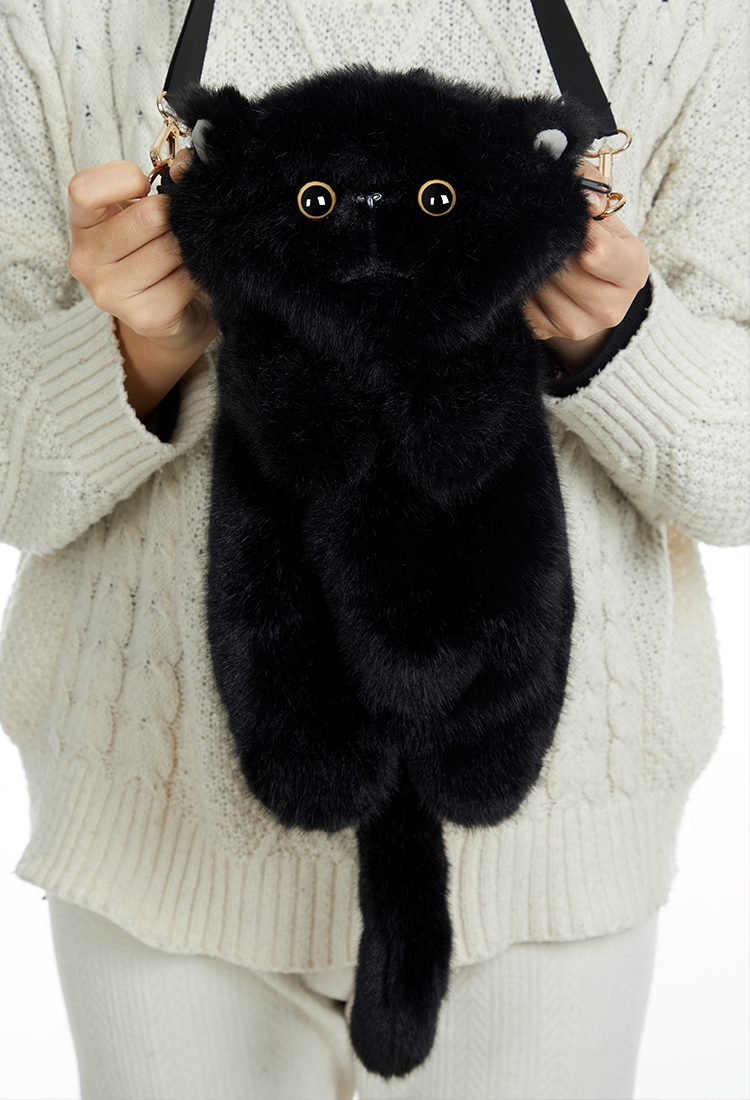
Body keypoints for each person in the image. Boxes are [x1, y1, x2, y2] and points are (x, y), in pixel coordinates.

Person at [0, 0, 747, 1097]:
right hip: (152, 850)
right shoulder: (59, 20)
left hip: (550, 874)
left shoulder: (684, 20)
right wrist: (130, 350)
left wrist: (619, 336)